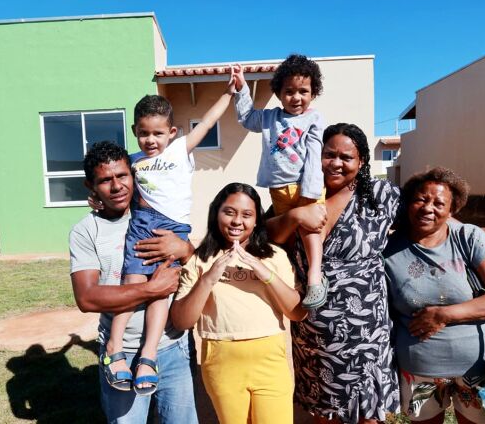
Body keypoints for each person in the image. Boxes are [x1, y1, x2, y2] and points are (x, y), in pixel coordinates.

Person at [104, 84, 235, 395]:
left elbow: (208, 121)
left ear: (171, 133)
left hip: (173, 230)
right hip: (142, 224)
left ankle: (147, 356)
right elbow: (113, 182)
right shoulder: (132, 160)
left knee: (161, 291)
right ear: (135, 131)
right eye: (144, 133)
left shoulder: (179, 150)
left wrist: (229, 94)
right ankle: (114, 345)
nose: (151, 140)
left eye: (158, 133)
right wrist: (97, 198)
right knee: (133, 285)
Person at [267, 123, 401, 423]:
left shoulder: (380, 195)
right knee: (323, 411)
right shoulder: (298, 194)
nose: (336, 163)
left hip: (364, 330)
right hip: (312, 330)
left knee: (367, 412)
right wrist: (295, 216)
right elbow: (269, 235)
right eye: (328, 155)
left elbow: (424, 222)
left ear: (361, 162)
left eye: (346, 157)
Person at [69, 141, 198, 423]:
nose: (117, 186)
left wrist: (185, 249)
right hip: (122, 354)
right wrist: (151, 289)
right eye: (105, 180)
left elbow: (194, 263)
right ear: (90, 185)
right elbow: (87, 298)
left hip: (174, 346)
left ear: (134, 174)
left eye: (122, 176)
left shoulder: (161, 212)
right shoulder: (86, 231)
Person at [383, 167, 485, 424]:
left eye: (439, 203)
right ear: (408, 203)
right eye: (421, 199)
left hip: (478, 366)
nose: (428, 208)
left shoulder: (468, 238)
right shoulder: (388, 248)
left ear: (452, 210)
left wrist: (443, 315)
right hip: (419, 367)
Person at [170, 182, 307, 424]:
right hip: (221, 362)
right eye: (229, 212)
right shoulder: (200, 260)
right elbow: (181, 321)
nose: (237, 221)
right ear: (216, 213)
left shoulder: (274, 256)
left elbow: (297, 313)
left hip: (269, 361)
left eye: (246, 215)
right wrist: (208, 278)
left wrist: (264, 272)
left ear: (256, 221)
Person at [231, 54, 327, 309]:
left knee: (310, 230)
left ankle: (315, 277)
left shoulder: (313, 119)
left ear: (313, 93)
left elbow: (314, 157)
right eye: (289, 92)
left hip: (305, 185)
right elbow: (246, 118)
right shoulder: (270, 118)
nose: (296, 97)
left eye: (303, 91)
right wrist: (241, 88)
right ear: (278, 94)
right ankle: (297, 275)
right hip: (279, 190)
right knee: (288, 235)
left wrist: (309, 194)